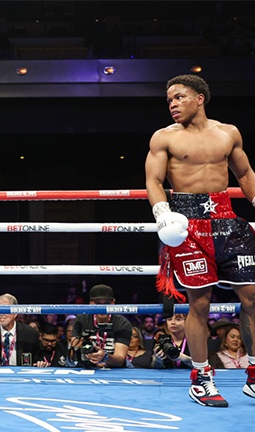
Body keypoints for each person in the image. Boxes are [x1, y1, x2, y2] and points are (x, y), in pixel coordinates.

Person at [145, 73, 255, 407]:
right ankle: (202, 377)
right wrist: (162, 212)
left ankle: (254, 374)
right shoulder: (164, 138)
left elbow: (246, 174)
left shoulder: (228, 133)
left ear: (199, 98)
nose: (172, 104)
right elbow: (153, 180)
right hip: (187, 224)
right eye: (169, 100)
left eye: (178, 97)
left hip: (226, 220)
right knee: (200, 303)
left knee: (252, 297)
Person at [68, 284, 132, 369]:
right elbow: (73, 354)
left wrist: (104, 357)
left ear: (113, 303)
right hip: (85, 367)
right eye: (97, 303)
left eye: (106, 303)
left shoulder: (122, 323)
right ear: (91, 303)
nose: (102, 308)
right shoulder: (82, 319)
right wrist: (80, 345)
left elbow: (120, 360)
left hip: (114, 370)